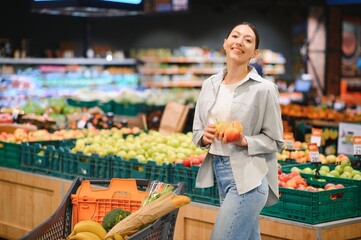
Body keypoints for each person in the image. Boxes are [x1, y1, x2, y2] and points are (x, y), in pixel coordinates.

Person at [192, 22, 284, 240]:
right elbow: (196, 131)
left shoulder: (264, 89)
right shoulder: (209, 84)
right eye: (235, 36)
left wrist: (244, 140)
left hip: (248, 180)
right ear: (225, 43)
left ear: (255, 53)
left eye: (248, 40)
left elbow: (276, 141)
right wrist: (204, 137)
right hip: (220, 173)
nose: (240, 42)